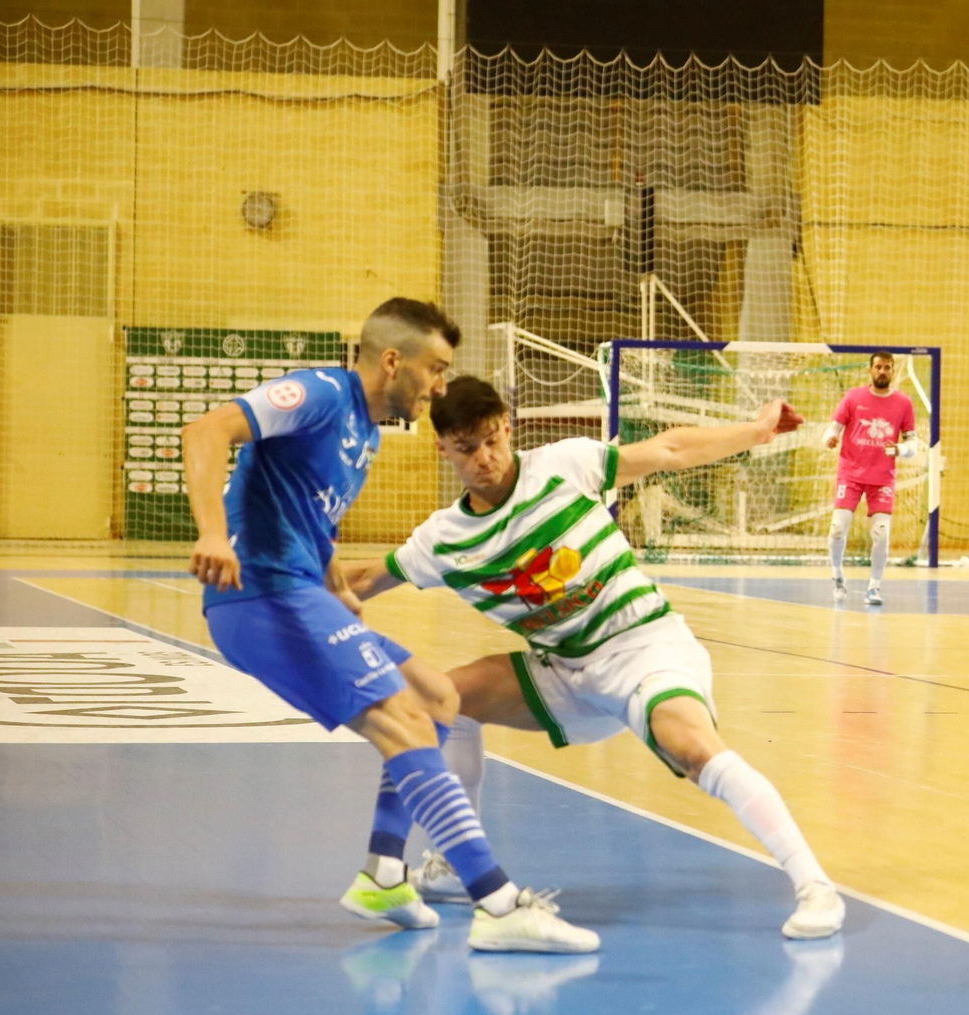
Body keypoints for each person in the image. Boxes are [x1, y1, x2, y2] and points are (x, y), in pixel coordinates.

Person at [341, 376, 846, 940]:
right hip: (565, 673)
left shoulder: (563, 466)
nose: (484, 459)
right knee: (440, 702)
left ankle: (816, 887)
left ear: (508, 425)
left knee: (692, 749)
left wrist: (755, 430)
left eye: (491, 440)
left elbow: (670, 450)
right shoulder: (443, 540)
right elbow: (359, 581)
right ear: (443, 450)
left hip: (644, 646)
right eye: (466, 449)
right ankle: (454, 865)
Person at [182, 298, 596, 953]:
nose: (440, 385)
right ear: (393, 360)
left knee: (437, 698)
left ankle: (383, 873)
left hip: (299, 591)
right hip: (259, 596)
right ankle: (498, 904)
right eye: (436, 368)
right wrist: (213, 533)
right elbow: (206, 431)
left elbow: (307, 527)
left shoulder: (365, 436)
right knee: (402, 720)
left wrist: (338, 588)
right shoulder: (320, 393)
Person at [822, 351, 918, 606]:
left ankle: (874, 587)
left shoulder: (903, 403)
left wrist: (901, 449)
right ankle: (837, 576)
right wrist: (829, 439)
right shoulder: (854, 397)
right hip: (851, 474)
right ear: (870, 370)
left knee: (882, 533)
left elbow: (913, 442)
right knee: (838, 527)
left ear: (893, 370)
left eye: (887, 367)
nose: (883, 371)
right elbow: (833, 428)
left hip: (882, 478)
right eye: (878, 367)